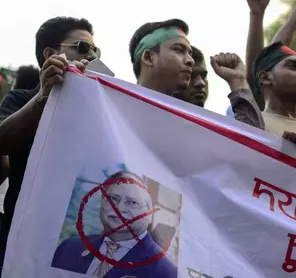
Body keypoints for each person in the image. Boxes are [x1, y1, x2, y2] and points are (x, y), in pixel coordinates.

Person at [0, 16, 99, 270]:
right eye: (83, 48)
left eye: (96, 52)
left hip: (72, 243)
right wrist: (43, 97)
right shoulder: (22, 99)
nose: (91, 58)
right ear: (50, 54)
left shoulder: (95, 111)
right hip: (20, 237)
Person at [52, 171, 177, 277]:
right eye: (113, 198)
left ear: (149, 213)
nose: (119, 208)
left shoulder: (167, 271)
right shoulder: (69, 249)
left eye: (132, 202)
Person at [128, 19, 194, 97]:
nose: (191, 61)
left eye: (190, 54)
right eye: (178, 50)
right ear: (148, 57)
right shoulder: (114, 106)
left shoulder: (186, 109)